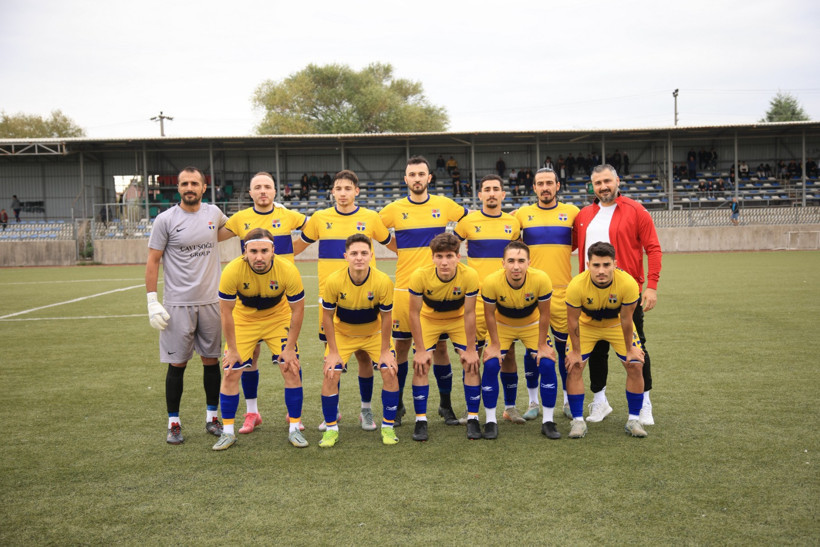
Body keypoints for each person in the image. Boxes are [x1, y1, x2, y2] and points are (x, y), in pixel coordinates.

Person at [293, 169, 392, 430]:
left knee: (363, 359)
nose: (343, 193)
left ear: (356, 191)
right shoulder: (319, 218)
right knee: (332, 359)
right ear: (333, 192)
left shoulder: (370, 217)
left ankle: (366, 410)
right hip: (332, 300)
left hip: (366, 297)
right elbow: (296, 247)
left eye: (348, 188)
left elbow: (394, 244)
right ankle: (333, 412)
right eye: (338, 188)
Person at [145, 166, 234, 445]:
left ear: (204, 188)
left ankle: (211, 417)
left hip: (211, 302)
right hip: (178, 305)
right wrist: (151, 301)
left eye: (194, 183)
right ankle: (174, 423)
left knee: (211, 361)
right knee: (177, 363)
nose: (189, 188)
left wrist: (263, 211)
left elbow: (234, 229)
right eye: (184, 183)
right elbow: (153, 260)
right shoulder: (165, 219)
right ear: (178, 188)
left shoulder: (214, 214)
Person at [379, 156, 467, 427]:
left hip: (439, 289)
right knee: (402, 348)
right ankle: (398, 405)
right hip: (405, 289)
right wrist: (398, 249)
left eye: (421, 174)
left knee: (440, 348)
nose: (416, 178)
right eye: (411, 174)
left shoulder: (444, 205)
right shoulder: (393, 210)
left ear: (429, 178)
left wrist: (453, 247)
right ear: (405, 179)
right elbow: (376, 230)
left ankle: (445, 405)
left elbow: (467, 221)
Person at [574, 164, 661, 426]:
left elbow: (653, 248)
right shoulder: (584, 215)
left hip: (626, 294)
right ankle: (599, 400)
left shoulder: (636, 210)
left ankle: (645, 403)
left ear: (617, 181)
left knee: (637, 347)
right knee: (596, 351)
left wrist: (652, 285)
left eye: (607, 181)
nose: (603, 187)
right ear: (593, 186)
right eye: (597, 183)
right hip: (590, 296)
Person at [223, 172, 307, 434]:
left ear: (275, 191)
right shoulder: (239, 219)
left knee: (290, 360)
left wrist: (294, 250)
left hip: (279, 297)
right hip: (247, 304)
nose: (262, 191)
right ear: (250, 193)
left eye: (267, 187)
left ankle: (295, 417)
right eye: (257, 187)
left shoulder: (289, 215)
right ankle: (252, 412)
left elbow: (314, 228)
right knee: (248, 360)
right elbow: (212, 235)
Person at [213, 228, 307, 450]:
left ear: (273, 250)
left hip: (278, 317)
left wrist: (290, 348)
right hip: (244, 319)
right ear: (245, 251)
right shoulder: (233, 270)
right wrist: (233, 350)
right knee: (230, 370)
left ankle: (294, 428)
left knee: (290, 367)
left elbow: (298, 310)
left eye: (264, 250)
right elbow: (226, 312)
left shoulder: (287, 269)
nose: (259, 256)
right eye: (253, 251)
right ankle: (227, 432)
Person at [319, 234, 400, 448]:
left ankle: (387, 426)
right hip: (343, 334)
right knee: (330, 372)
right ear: (346, 256)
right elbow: (327, 317)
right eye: (354, 253)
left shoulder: (382, 281)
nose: (359, 258)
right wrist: (333, 352)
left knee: (390, 370)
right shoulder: (334, 280)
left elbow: (387, 318)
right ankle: (330, 429)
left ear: (371, 256)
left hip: (373, 334)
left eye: (364, 253)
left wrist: (385, 351)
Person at [454, 175, 523, 424]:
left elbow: (518, 257)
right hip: (475, 300)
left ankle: (510, 407)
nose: (491, 193)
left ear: (503, 194)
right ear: (479, 195)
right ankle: (471, 408)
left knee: (509, 353)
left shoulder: (512, 223)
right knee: (472, 353)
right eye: (487, 190)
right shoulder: (468, 221)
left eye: (496, 189)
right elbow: (451, 249)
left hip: (504, 299)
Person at [515, 167, 580, 421]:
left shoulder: (572, 213)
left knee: (565, 350)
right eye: (540, 183)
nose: (545, 187)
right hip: (531, 294)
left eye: (549, 183)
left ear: (557, 186)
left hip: (563, 292)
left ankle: (566, 399)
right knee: (533, 350)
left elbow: (578, 242)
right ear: (534, 188)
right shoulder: (522, 215)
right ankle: (533, 402)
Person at [565, 242, 646, 438]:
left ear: (615, 264)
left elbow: (627, 319)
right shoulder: (576, 285)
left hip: (616, 325)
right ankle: (577, 421)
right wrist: (575, 352)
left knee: (635, 364)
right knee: (575, 366)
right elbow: (572, 320)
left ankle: (633, 420)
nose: (601, 271)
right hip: (586, 326)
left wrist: (630, 349)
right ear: (587, 265)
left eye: (606, 265)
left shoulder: (627, 283)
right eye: (596, 265)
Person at [408, 233, 482, 441]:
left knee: (471, 363)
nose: (444, 262)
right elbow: (413, 313)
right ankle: (421, 420)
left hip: (458, 319)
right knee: (421, 364)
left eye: (449, 256)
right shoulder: (420, 275)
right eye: (439, 256)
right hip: (429, 319)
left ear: (459, 257)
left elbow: (469, 313)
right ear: (432, 258)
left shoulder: (469, 275)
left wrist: (470, 349)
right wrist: (421, 351)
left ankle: (473, 417)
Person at [481, 242, 558, 439]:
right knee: (491, 364)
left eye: (521, 261)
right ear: (503, 263)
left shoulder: (541, 279)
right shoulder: (491, 281)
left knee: (548, 364)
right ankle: (491, 420)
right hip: (502, 326)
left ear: (529, 263)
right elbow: (489, 315)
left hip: (531, 325)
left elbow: (544, 314)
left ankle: (548, 421)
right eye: (511, 261)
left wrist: (542, 345)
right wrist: (495, 345)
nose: (516, 266)